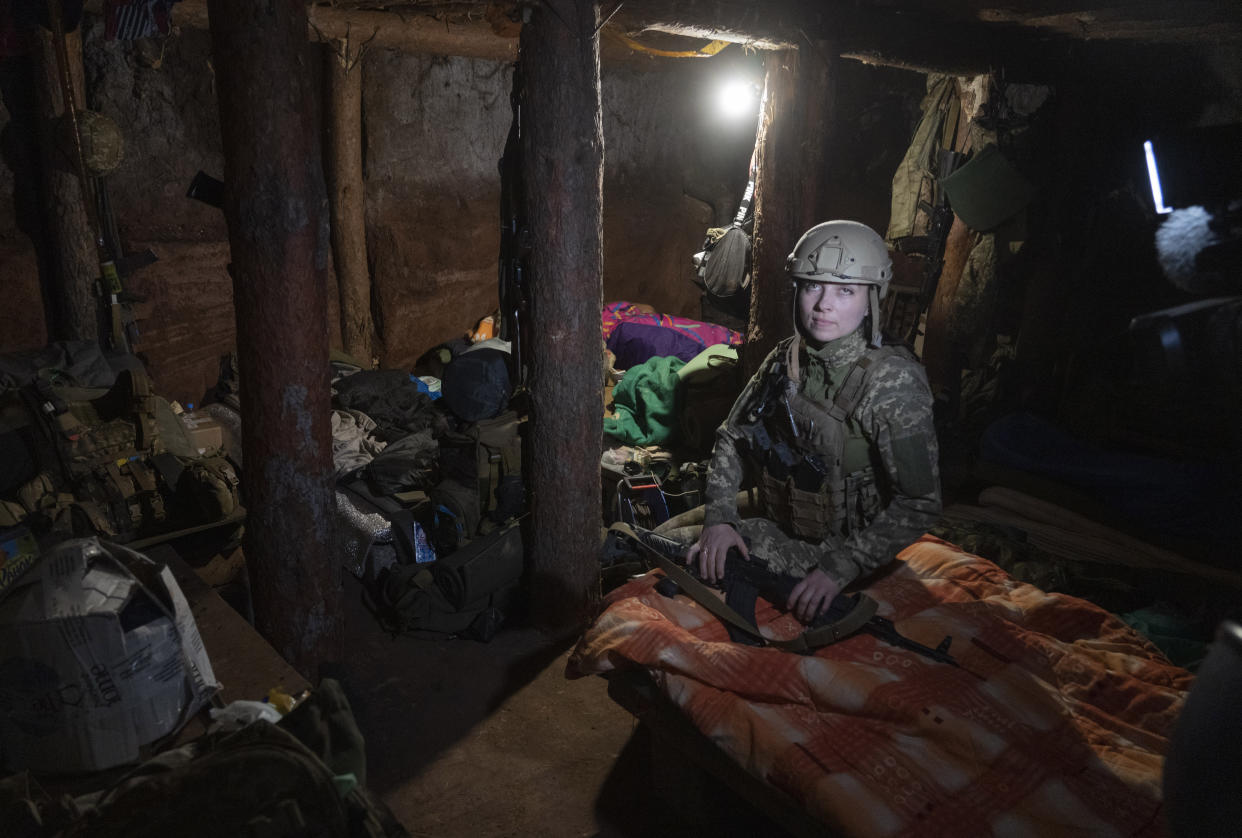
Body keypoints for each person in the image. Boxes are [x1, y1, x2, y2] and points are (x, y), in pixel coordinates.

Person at [685, 219, 942, 623]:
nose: (823, 304)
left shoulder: (891, 380)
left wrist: (840, 568)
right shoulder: (786, 357)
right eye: (812, 285)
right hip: (778, 518)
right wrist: (719, 517)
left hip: (844, 547)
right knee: (675, 540)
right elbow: (732, 437)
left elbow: (920, 502)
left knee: (692, 562)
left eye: (845, 290)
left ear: (872, 298)